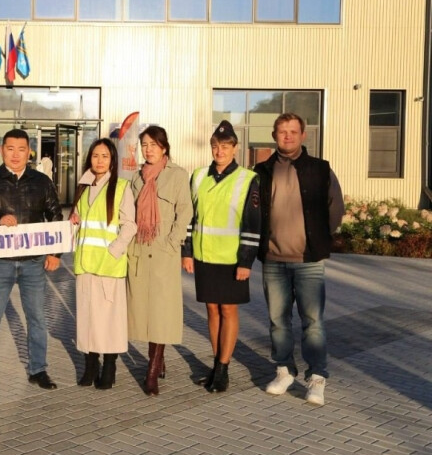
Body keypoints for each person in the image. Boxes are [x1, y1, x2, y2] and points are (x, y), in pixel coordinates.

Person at [254, 113, 344, 407]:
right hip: (273, 259)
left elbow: (336, 208)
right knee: (278, 321)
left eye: (293, 131)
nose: (288, 136)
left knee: (313, 322)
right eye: (282, 131)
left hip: (308, 261)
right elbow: (253, 210)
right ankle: (284, 370)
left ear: (303, 135)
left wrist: (319, 237)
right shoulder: (262, 170)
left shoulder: (320, 169)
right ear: (274, 135)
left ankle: (317, 377)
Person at [0, 129, 63, 391]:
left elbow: (56, 217)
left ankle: (38, 369)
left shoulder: (41, 182)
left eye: (21, 149)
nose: (16, 155)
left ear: (29, 152)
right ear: (2, 151)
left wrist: (55, 253)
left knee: (37, 318)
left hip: (33, 261)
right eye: (10, 149)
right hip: (0, 261)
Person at [181, 121, 261, 393]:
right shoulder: (198, 176)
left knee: (228, 309)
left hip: (231, 259)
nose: (220, 151)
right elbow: (190, 217)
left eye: (225, 146)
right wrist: (187, 252)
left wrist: (246, 262)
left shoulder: (247, 179)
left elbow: (252, 223)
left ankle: (224, 368)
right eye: (215, 146)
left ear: (235, 148)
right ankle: (216, 365)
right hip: (204, 255)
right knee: (211, 310)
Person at [126, 125, 192, 397]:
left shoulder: (177, 175)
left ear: (164, 147)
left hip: (164, 253)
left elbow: (185, 211)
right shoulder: (136, 178)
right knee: (143, 312)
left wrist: (173, 243)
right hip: (140, 251)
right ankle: (158, 358)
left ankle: (152, 371)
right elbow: (127, 214)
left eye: (153, 144)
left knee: (161, 313)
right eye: (144, 145)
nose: (148, 149)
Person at [69, 139, 137, 390]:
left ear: (112, 160)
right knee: (87, 319)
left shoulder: (121, 187)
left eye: (105, 156)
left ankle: (109, 366)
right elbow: (80, 223)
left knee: (109, 320)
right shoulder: (83, 187)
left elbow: (130, 225)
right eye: (95, 155)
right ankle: (90, 366)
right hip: (85, 264)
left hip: (108, 265)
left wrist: (114, 251)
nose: (99, 160)